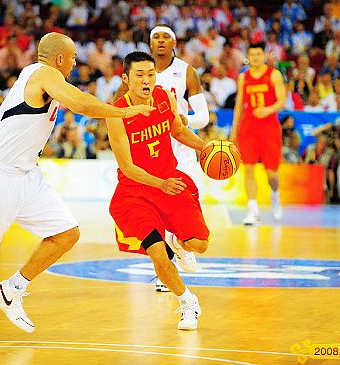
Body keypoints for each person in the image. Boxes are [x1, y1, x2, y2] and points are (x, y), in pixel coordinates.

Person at [0, 32, 155, 338]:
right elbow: (80, 104)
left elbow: (80, 99)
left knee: (66, 234)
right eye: (73, 57)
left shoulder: (47, 78)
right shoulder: (43, 74)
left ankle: (11, 290)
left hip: (27, 176)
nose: (76, 62)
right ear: (60, 59)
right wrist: (123, 111)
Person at [108, 51, 209, 330]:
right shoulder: (116, 114)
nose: (146, 80)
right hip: (135, 192)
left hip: (170, 182)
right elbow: (127, 168)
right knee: (157, 253)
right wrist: (160, 183)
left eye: (150, 74)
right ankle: (188, 302)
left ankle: (178, 241)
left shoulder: (166, 97)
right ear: (126, 79)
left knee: (199, 244)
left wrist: (205, 147)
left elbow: (177, 131)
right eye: (139, 75)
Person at [229, 42, 286, 225]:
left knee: (272, 174)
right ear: (248, 56)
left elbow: (282, 101)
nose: (255, 58)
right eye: (252, 54)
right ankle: (253, 210)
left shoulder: (274, 74)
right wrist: (234, 130)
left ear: (264, 56)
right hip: (249, 127)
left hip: (269, 127)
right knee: (249, 168)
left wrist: (268, 110)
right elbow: (239, 105)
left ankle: (275, 195)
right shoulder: (243, 77)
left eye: (258, 54)